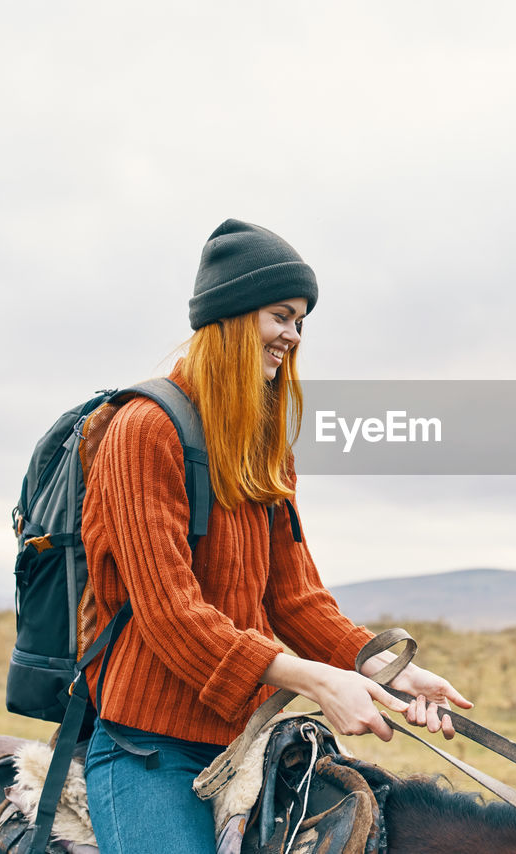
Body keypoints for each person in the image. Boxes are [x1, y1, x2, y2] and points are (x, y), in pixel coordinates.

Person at [79, 219, 470, 853]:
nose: (292, 335)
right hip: (148, 749)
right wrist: (315, 682)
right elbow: (173, 617)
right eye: (280, 316)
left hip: (247, 737)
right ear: (231, 317)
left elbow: (294, 598)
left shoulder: (264, 448)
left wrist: (389, 670)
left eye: (301, 322)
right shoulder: (143, 430)